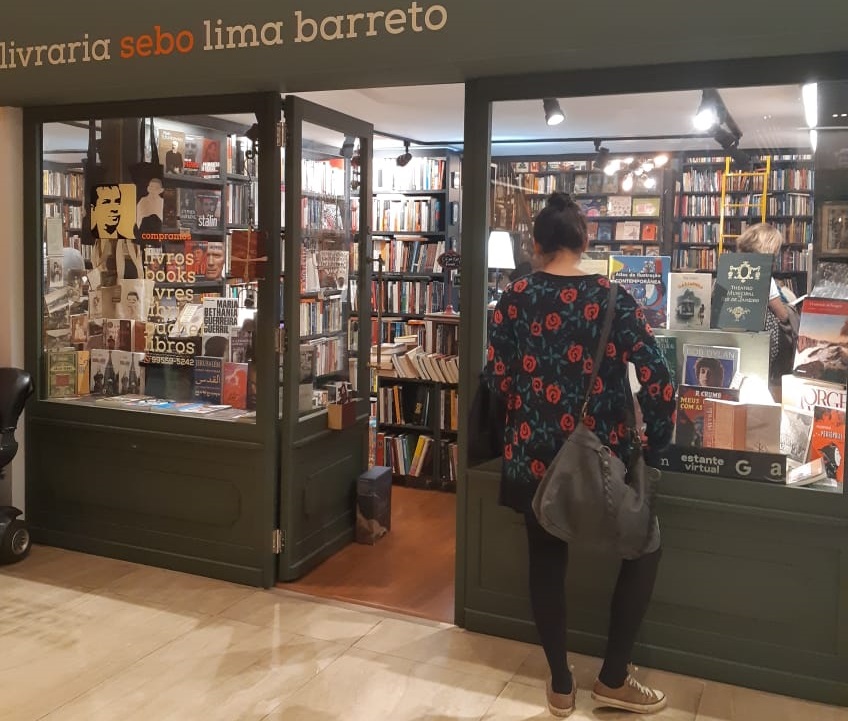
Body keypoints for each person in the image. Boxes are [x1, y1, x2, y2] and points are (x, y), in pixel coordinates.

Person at [485, 192, 675, 717]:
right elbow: (658, 377)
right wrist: (656, 442)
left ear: (538, 244)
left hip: (531, 455)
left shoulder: (514, 296)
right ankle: (613, 677)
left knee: (546, 560)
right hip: (603, 459)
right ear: (585, 241)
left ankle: (561, 685)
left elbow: (498, 378)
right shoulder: (615, 297)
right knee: (644, 547)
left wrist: (519, 422)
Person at [735, 223, 799, 393]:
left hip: (737, 336)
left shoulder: (733, 268)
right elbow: (781, 314)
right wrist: (791, 312)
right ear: (768, 247)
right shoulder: (761, 273)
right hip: (761, 343)